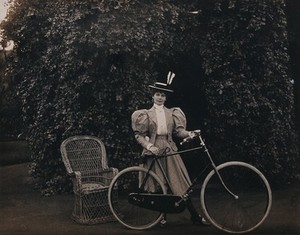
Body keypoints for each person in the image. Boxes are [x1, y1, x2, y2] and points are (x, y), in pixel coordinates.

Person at [131, 72, 209, 226]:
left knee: (180, 184)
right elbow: (139, 135)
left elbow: (179, 132)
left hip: (169, 149)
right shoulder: (145, 115)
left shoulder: (172, 113)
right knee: (161, 186)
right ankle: (162, 217)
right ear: (153, 96)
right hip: (154, 150)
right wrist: (149, 146)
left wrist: (190, 133)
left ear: (166, 98)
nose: (160, 97)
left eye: (163, 95)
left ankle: (194, 215)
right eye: (157, 94)